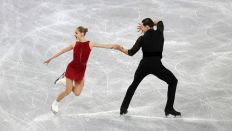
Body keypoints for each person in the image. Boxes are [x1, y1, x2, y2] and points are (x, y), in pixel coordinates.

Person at [44, 26, 121, 114]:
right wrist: (50, 58)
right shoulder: (74, 44)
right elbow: (62, 51)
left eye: (76, 33)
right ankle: (55, 103)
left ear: (82, 33)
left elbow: (105, 45)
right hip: (72, 68)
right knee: (68, 91)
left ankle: (63, 81)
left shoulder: (90, 44)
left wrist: (115, 46)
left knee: (77, 93)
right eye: (75, 33)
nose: (75, 34)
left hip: (81, 71)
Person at [118, 18, 181, 117]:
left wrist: (119, 48)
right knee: (173, 81)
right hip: (157, 65)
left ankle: (123, 109)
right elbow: (159, 21)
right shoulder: (160, 32)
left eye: (142, 27)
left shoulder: (142, 38)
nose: (141, 29)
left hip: (144, 65)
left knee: (134, 85)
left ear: (147, 27)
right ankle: (169, 108)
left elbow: (131, 53)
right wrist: (150, 23)